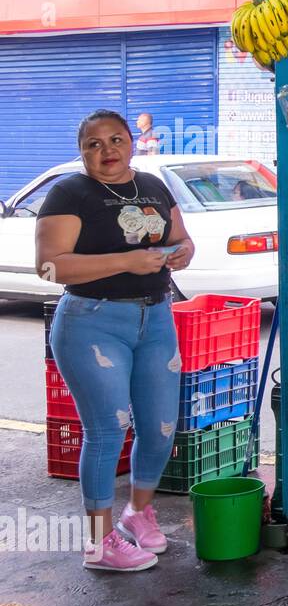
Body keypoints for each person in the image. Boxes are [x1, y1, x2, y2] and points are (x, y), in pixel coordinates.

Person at [36, 109, 195, 573]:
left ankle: (138, 511)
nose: (107, 151)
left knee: (161, 427)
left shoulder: (153, 186)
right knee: (107, 430)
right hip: (92, 322)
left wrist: (183, 252)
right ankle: (98, 543)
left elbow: (182, 238)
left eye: (115, 139)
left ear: (132, 142)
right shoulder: (69, 192)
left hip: (156, 318)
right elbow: (49, 267)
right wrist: (128, 262)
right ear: (82, 151)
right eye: (94, 144)